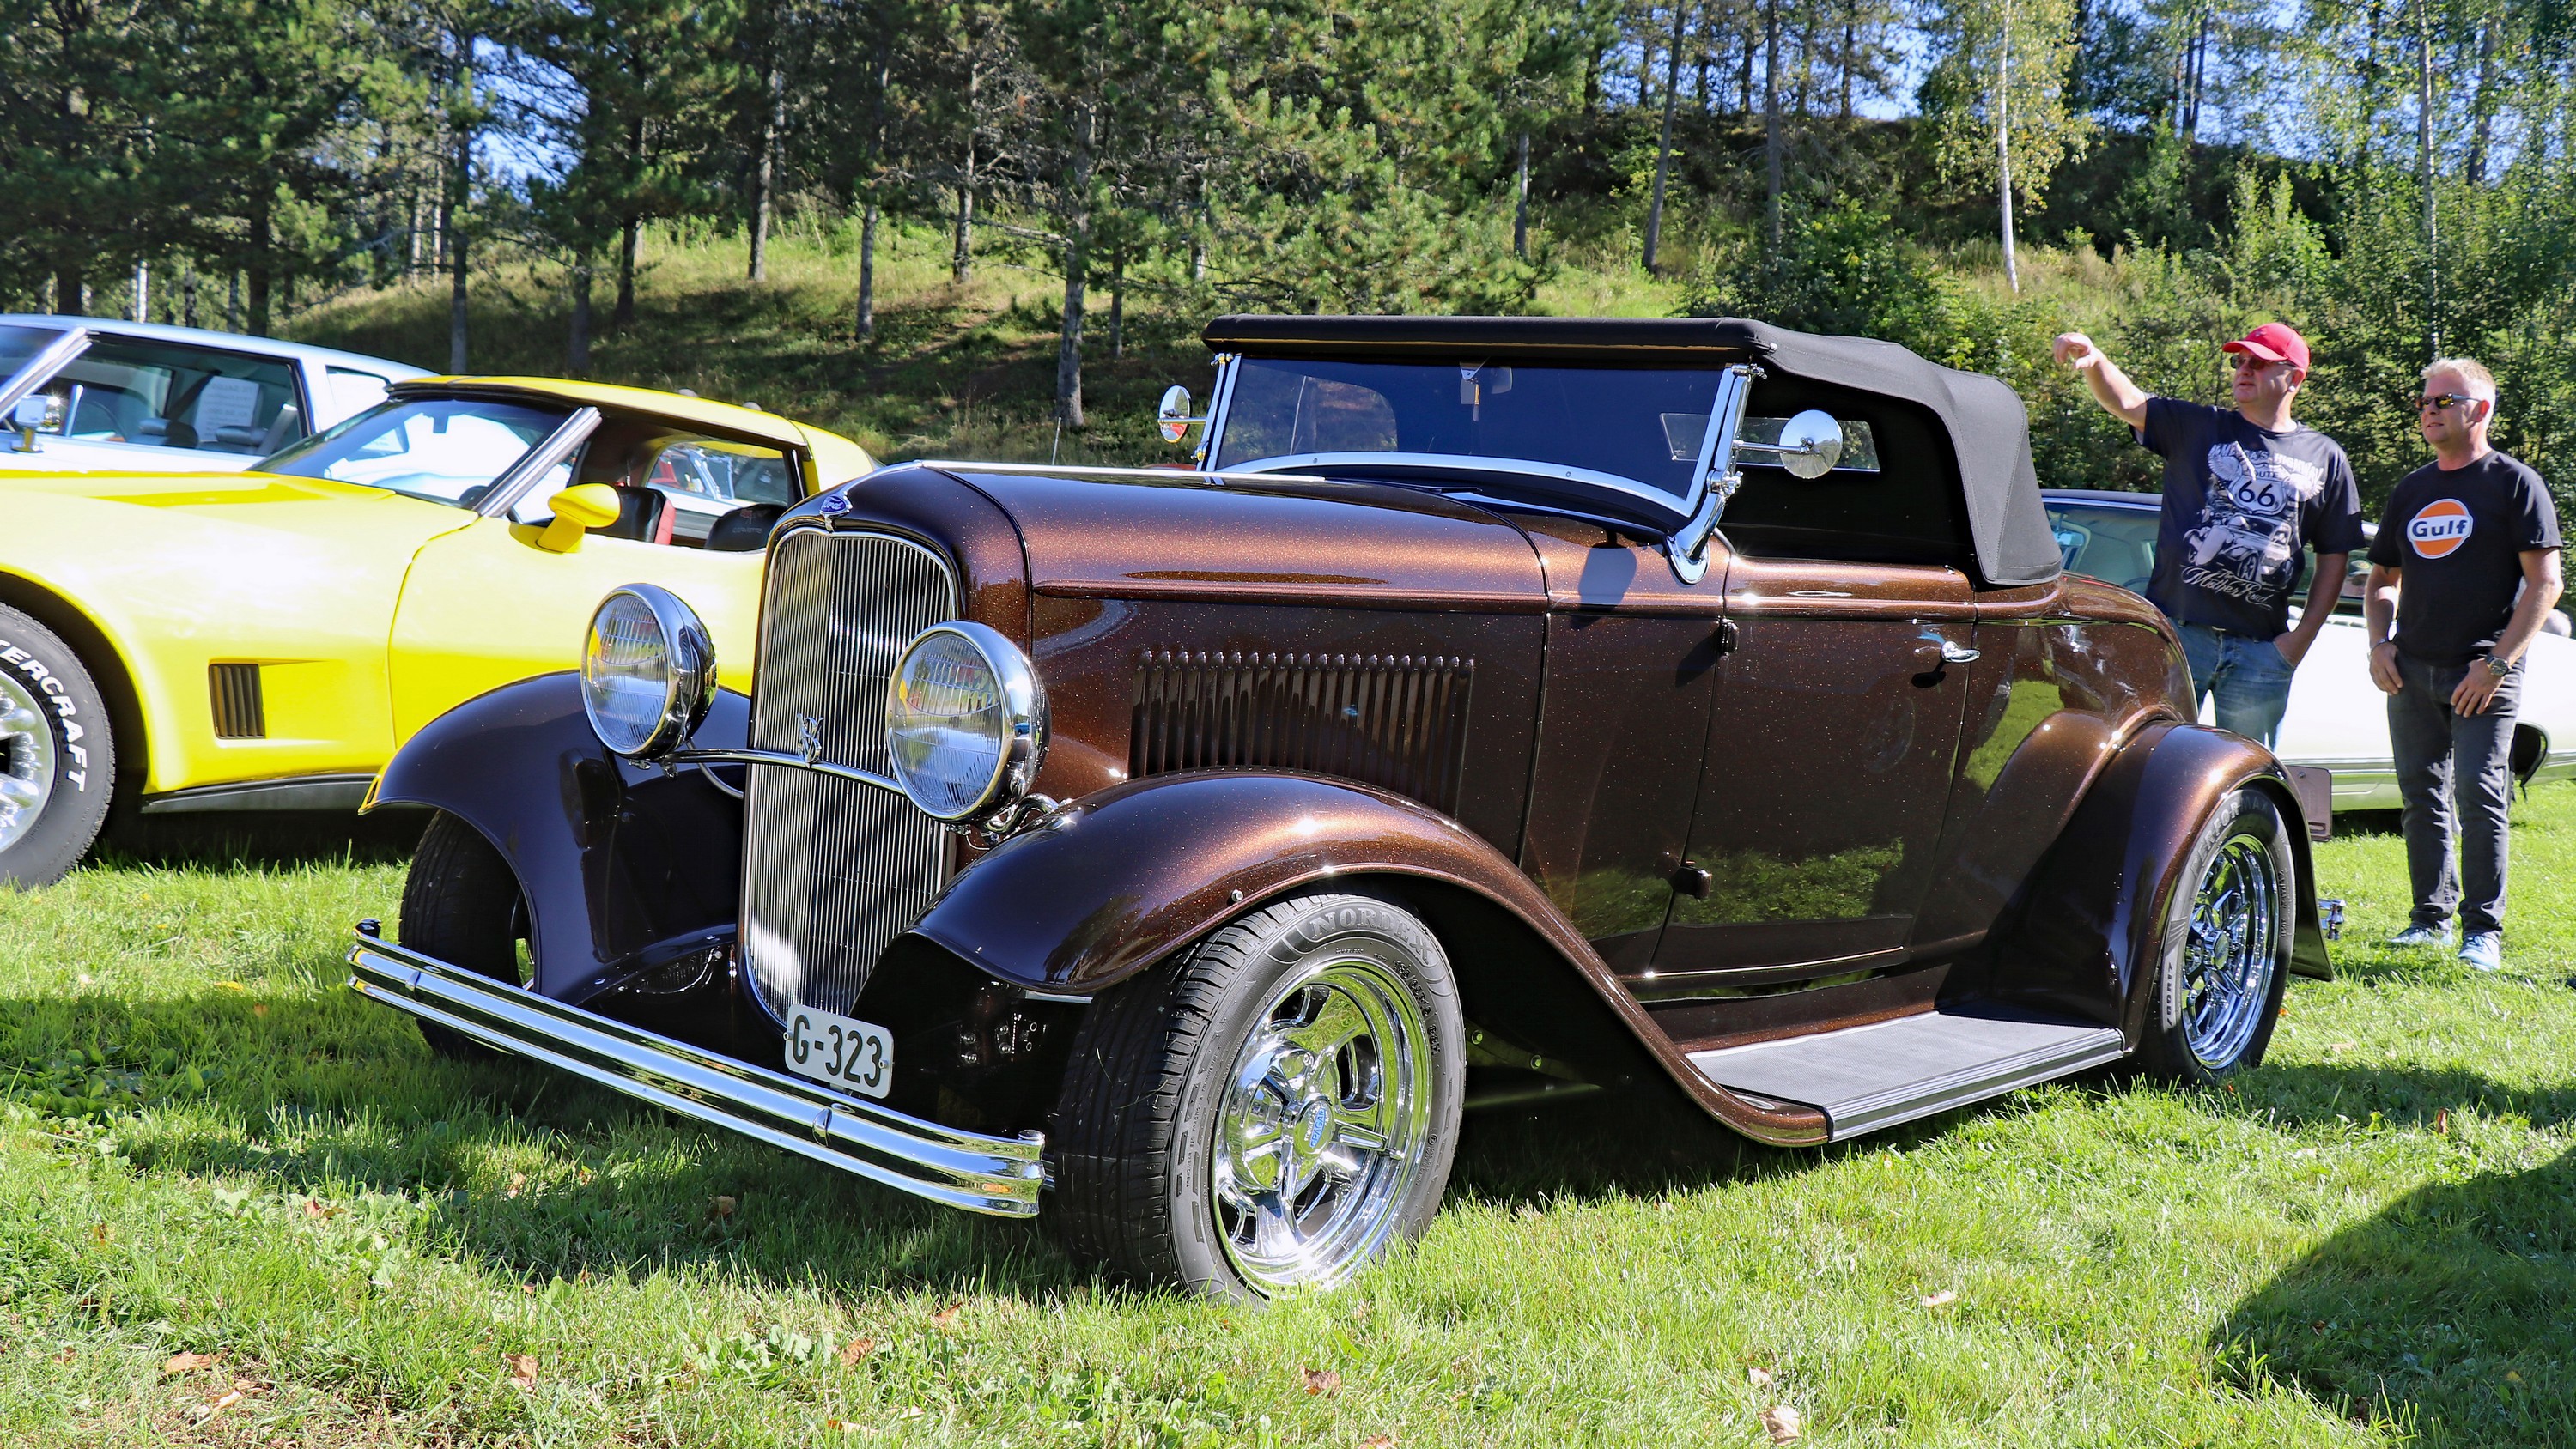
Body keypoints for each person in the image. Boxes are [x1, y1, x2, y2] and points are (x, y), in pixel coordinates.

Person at [2051, 323, 2366, 748]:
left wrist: (2299, 641)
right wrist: (2095, 360)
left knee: (2245, 770)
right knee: (2156, 757)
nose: (2244, 369)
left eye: (2259, 363)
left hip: (2261, 651)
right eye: (2240, 361)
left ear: (2294, 378)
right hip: (2180, 637)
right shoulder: (2199, 427)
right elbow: (2128, 402)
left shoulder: (2326, 457)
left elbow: (2334, 555)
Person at [2366, 358, 2564, 970]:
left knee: (2479, 796)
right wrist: (2379, 643)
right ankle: (2429, 920)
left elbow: (2546, 584)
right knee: (2421, 798)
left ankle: (2482, 932)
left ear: (2480, 409)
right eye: (2424, 401)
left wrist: (2497, 664)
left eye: (2443, 401)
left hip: (2484, 673)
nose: (2429, 410)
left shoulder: (2515, 484)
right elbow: (2382, 577)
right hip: (2411, 671)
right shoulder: (2412, 489)